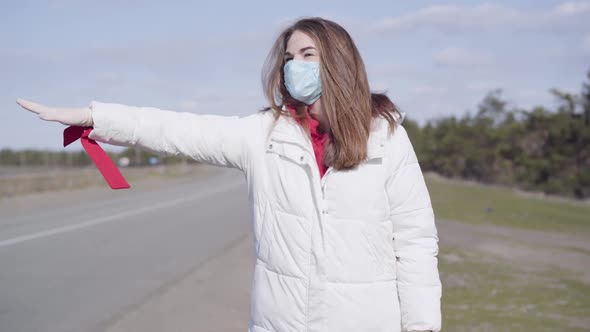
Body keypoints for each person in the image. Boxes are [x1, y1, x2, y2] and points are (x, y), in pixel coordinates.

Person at [17, 17, 441, 332]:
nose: (296, 65)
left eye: (308, 55)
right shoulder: (263, 135)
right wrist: (95, 117)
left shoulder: (386, 139)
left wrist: (421, 328)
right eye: (290, 57)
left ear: (338, 62)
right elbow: (178, 131)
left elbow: (416, 244)